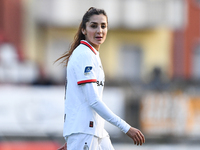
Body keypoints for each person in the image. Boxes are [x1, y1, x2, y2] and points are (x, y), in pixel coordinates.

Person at [56, 7, 145, 150]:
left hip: (92, 130)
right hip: (85, 131)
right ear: (84, 30)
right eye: (93, 26)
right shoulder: (84, 54)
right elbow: (93, 100)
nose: (99, 31)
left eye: (103, 26)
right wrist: (126, 128)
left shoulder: (91, 54)